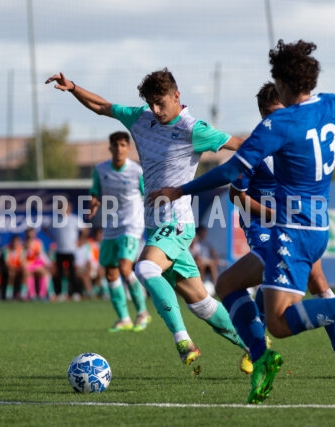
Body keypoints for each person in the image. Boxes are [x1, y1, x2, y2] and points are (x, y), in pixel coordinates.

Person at [150, 17, 335, 403]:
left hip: (292, 230)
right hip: (313, 227)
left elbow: (230, 170)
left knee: (280, 322)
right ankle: (262, 358)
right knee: (225, 285)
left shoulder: (278, 124)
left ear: (283, 84)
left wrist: (181, 189)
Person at [46, 67, 251, 369]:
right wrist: (74, 87)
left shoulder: (194, 129)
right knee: (199, 301)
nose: (156, 110)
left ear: (176, 95)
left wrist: (267, 165)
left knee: (144, 268)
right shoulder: (142, 118)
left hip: (177, 223)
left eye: (161, 103)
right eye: (151, 104)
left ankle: (183, 341)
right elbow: (103, 107)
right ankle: (255, 346)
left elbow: (244, 146)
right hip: (156, 224)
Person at [226, 81, 335, 378]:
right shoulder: (256, 147)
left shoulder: (300, 140)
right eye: (269, 114)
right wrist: (274, 213)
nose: (276, 119)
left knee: (318, 281)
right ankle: (256, 346)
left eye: (279, 111)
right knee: (269, 275)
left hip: (298, 224)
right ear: (262, 115)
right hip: (261, 225)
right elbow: (236, 196)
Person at [89, 131, 150, 332]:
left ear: (128, 148)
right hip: (111, 226)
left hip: (131, 225)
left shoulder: (137, 171)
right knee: (110, 272)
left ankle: (142, 312)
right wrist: (94, 204)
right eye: (116, 145)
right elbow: (96, 193)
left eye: (123, 145)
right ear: (110, 148)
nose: (119, 149)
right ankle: (124, 318)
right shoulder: (101, 169)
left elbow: (147, 196)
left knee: (125, 267)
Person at [45, 199, 81, 302]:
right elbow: (46, 228)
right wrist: (53, 237)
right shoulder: (56, 220)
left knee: (72, 273)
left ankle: (75, 292)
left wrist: (80, 241)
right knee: (59, 273)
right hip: (60, 250)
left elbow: (85, 230)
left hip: (71, 250)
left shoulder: (74, 219)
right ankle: (60, 293)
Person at [22, 227, 51, 301]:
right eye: (29, 233)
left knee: (45, 273)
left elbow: (41, 254)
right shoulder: (23, 243)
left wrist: (48, 263)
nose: (31, 235)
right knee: (27, 273)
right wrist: (26, 248)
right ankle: (32, 294)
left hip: (36, 264)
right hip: (27, 264)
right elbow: (22, 256)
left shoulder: (38, 243)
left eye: (32, 233)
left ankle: (42, 294)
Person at [4, 234, 25, 300]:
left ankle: (22, 294)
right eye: (14, 241)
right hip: (9, 268)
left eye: (17, 242)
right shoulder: (6, 249)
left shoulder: (20, 249)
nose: (15, 243)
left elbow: (21, 262)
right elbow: (6, 262)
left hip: (17, 268)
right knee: (11, 274)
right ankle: (8, 295)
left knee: (25, 273)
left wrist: (20, 268)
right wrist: (13, 268)